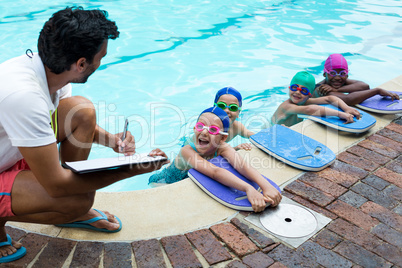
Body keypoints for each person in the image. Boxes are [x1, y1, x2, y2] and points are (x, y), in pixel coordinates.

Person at [0, 7, 168, 263]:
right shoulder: (24, 96)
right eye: (101, 56)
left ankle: (66, 211)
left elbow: (70, 121)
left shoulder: (50, 70)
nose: (101, 62)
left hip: (9, 150)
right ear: (81, 64)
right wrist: (131, 169)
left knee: (82, 111)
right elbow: (56, 185)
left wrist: (112, 141)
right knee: (75, 200)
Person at [149, 106, 282, 212]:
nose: (204, 132)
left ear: (223, 138)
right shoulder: (187, 151)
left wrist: (266, 185)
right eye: (200, 126)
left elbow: (242, 165)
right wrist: (248, 189)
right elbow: (215, 172)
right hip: (164, 182)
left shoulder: (222, 147)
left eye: (212, 129)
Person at [271, 71, 361, 127]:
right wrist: (340, 114)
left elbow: (329, 98)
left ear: (310, 95)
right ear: (289, 88)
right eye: (294, 87)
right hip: (270, 130)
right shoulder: (287, 106)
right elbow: (310, 109)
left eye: (304, 91)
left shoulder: (304, 102)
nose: (298, 92)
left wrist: (346, 108)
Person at [314, 53, 400, 105]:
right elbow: (348, 100)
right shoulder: (321, 88)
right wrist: (377, 91)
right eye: (332, 73)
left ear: (347, 75)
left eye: (342, 73)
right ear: (324, 74)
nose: (337, 78)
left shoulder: (336, 83)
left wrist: (337, 89)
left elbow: (364, 86)